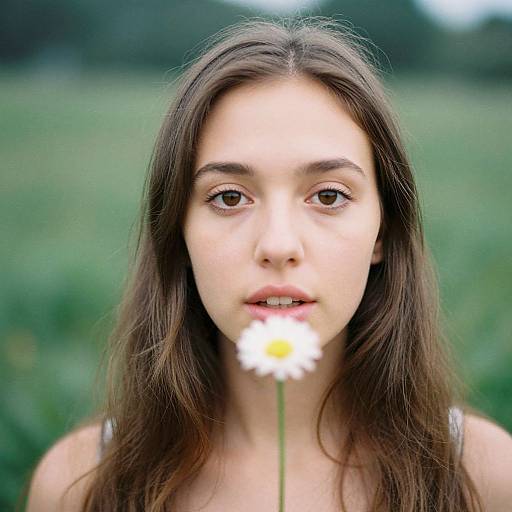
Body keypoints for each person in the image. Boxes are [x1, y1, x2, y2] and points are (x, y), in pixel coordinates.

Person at [25, 17, 512, 512]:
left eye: (328, 195)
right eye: (230, 197)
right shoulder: (79, 485)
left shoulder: (485, 478)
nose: (278, 245)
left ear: (382, 232)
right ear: (178, 231)